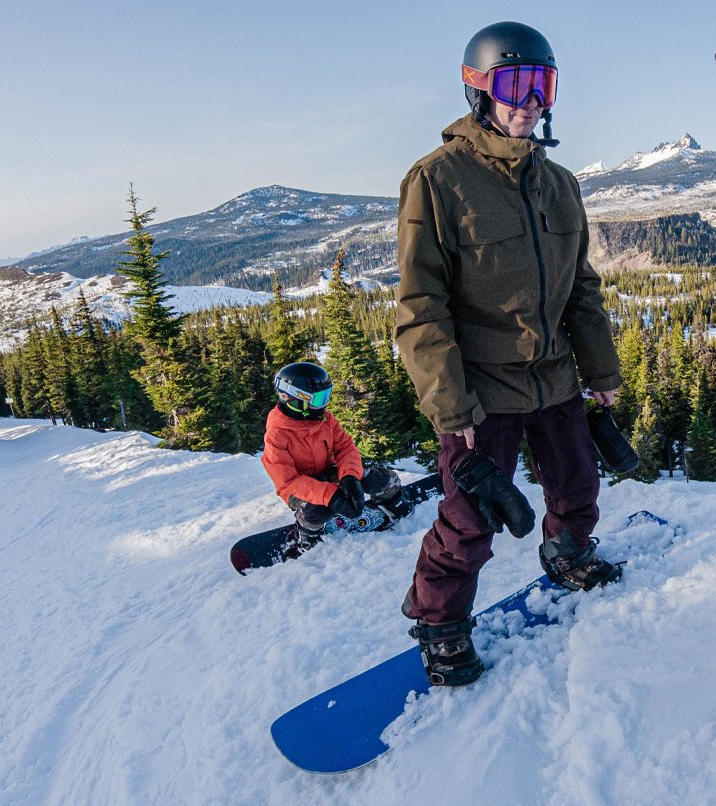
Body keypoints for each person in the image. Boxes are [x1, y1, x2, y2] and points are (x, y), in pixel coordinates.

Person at [394, 20, 623, 688]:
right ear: (478, 90)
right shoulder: (437, 180)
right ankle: (438, 623)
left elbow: (580, 288)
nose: (529, 101)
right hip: (478, 389)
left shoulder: (559, 184)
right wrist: (448, 404)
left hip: (552, 376)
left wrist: (600, 371)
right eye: (514, 84)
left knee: (577, 486)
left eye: (542, 85)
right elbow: (420, 305)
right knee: (469, 521)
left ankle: (569, 553)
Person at [261, 361, 410, 545]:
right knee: (316, 511)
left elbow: (345, 448)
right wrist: (331, 496)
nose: (324, 405)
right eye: (318, 399)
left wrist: (350, 478)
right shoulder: (276, 436)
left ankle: (393, 504)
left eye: (326, 397)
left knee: (382, 480)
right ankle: (309, 533)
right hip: (298, 488)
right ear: (294, 399)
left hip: (328, 472)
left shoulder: (326, 420)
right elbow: (288, 482)